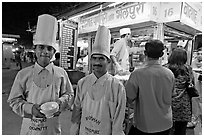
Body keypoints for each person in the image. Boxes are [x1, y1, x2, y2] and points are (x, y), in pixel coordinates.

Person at [7, 14, 74, 135]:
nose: (45, 52)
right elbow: (14, 100)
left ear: (54, 52)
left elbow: (69, 94)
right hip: (30, 129)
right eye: (41, 47)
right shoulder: (23, 74)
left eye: (49, 48)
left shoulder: (61, 73)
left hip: (52, 129)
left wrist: (60, 103)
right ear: (35, 49)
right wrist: (30, 109)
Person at [70, 25, 126, 135]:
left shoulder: (117, 87)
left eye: (101, 59)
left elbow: (118, 121)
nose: (97, 62)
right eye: (94, 58)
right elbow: (76, 112)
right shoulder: (83, 83)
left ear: (108, 62)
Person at [125, 40, 175, 135]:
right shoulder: (169, 74)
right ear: (162, 54)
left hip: (145, 125)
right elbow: (171, 95)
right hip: (166, 123)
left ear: (145, 53)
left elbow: (129, 98)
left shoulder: (137, 74)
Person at [165, 48, 195, 135]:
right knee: (181, 131)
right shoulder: (188, 69)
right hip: (183, 105)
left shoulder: (165, 68)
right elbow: (191, 84)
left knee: (166, 130)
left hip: (167, 103)